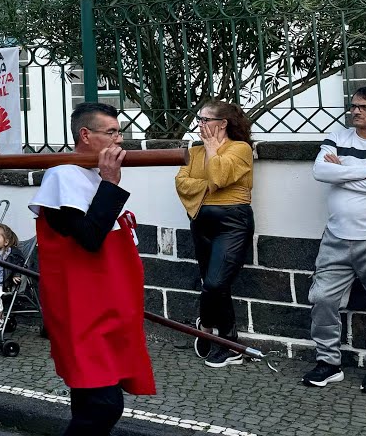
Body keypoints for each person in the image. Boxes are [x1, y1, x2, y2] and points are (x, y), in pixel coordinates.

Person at [29, 103, 154, 436]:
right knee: (102, 405)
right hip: (81, 311)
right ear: (85, 135)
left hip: (107, 307)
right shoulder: (62, 175)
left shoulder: (92, 174)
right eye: (110, 132)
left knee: (93, 404)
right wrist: (110, 184)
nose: (119, 139)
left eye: (119, 131)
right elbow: (88, 238)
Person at [303, 86, 366, 393]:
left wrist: (344, 170)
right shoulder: (338, 136)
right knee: (321, 298)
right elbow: (321, 172)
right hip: (335, 237)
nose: (356, 111)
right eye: (354, 106)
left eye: (365, 107)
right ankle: (328, 363)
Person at [173, 100, 255, 367]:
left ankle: (212, 330)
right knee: (213, 283)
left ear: (223, 124)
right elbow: (181, 183)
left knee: (216, 283)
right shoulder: (195, 151)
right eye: (199, 119)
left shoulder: (240, 149)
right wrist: (207, 182)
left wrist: (211, 151)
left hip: (232, 224)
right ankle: (228, 341)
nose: (200, 124)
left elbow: (218, 176)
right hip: (201, 223)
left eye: (205, 120)